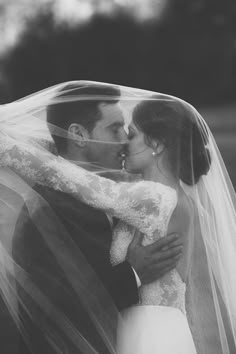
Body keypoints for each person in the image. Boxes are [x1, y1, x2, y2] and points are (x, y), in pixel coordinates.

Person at [0, 81, 235, 353]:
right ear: (78, 134)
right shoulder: (46, 211)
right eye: (115, 128)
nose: (124, 139)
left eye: (130, 131)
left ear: (156, 145)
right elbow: (51, 303)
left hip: (152, 337)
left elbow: (67, 177)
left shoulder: (150, 198)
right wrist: (133, 272)